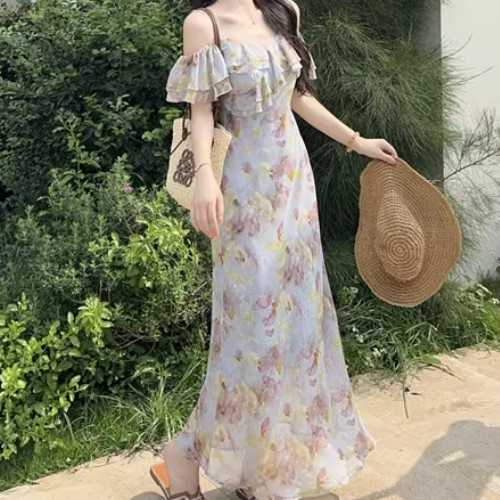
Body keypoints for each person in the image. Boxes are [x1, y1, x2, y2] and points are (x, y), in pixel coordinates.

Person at [150, 1, 399, 500]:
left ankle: (260, 466)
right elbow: (201, 111)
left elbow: (297, 98)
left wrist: (356, 141)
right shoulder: (203, 25)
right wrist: (204, 178)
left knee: (297, 329)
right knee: (250, 334)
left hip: (292, 187)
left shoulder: (285, 10)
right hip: (241, 193)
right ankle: (193, 453)